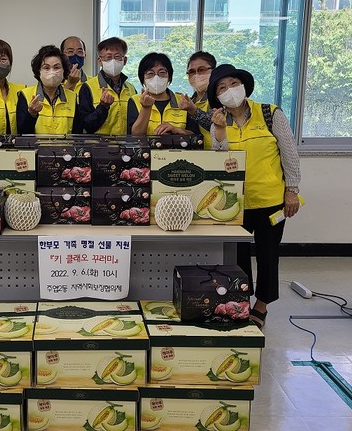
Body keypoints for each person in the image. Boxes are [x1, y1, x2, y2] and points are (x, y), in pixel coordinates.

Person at [209, 64, 301, 330]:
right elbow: (219, 159)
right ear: (217, 95)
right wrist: (220, 131)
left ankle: (261, 305)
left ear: (244, 86)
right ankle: (241, 301)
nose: (229, 90)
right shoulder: (218, 120)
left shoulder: (270, 113)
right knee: (236, 255)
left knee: (268, 254)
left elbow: (289, 153)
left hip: (270, 200)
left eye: (233, 84)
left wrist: (292, 190)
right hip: (234, 202)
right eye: (222, 87)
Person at [16, 45, 83, 134]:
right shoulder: (25, 95)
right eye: (46, 68)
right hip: (36, 144)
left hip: (65, 143)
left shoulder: (72, 97)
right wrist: (31, 114)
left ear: (64, 70)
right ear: (39, 71)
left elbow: (77, 134)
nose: (52, 72)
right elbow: (21, 133)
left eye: (56, 67)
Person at [127, 52, 198, 136]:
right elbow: (135, 135)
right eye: (150, 73)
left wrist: (175, 129)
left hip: (177, 145)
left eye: (162, 72)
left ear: (169, 77)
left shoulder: (183, 101)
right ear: (143, 79)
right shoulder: (135, 100)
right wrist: (146, 108)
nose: (156, 77)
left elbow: (195, 134)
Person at [78, 37, 137, 135]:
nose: (113, 61)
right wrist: (103, 107)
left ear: (125, 60)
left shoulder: (131, 89)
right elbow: (86, 125)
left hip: (126, 143)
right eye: (108, 57)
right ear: (100, 61)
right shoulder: (88, 87)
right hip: (99, 143)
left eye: (117, 57)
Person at [178, 51, 217, 148]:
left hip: (219, 153)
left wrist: (193, 110)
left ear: (214, 71)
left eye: (201, 70)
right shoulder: (190, 101)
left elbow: (215, 125)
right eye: (192, 72)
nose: (196, 75)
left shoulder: (218, 97)